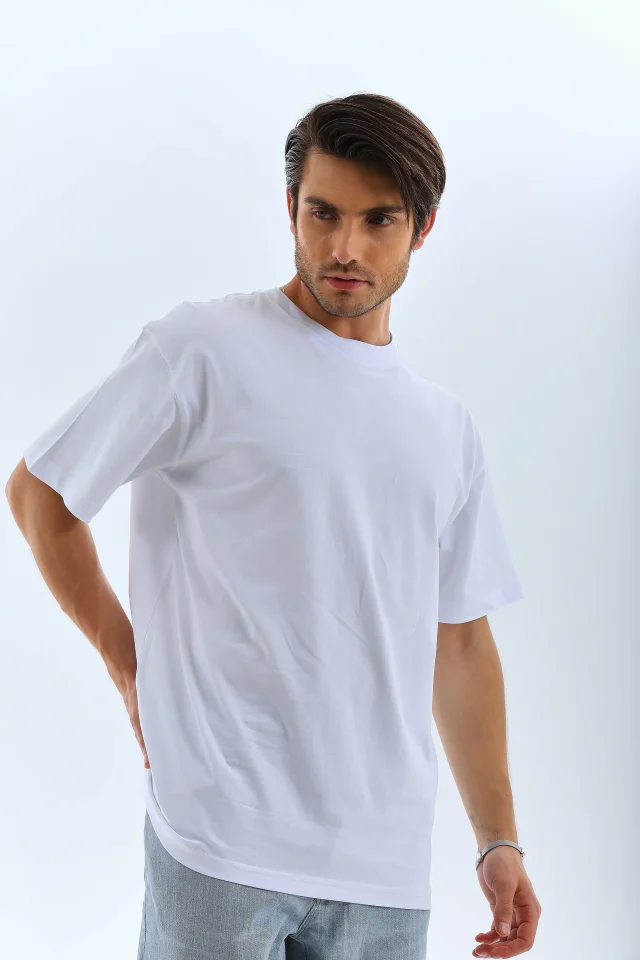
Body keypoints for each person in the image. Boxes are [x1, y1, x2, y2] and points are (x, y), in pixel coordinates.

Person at [5, 92, 541, 959]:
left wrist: (497, 839)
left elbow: (462, 642)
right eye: (323, 213)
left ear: (423, 228)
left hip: (382, 869)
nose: (345, 247)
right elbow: (42, 494)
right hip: (219, 839)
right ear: (291, 207)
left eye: (378, 220)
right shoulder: (203, 348)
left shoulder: (445, 428)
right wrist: (127, 663)